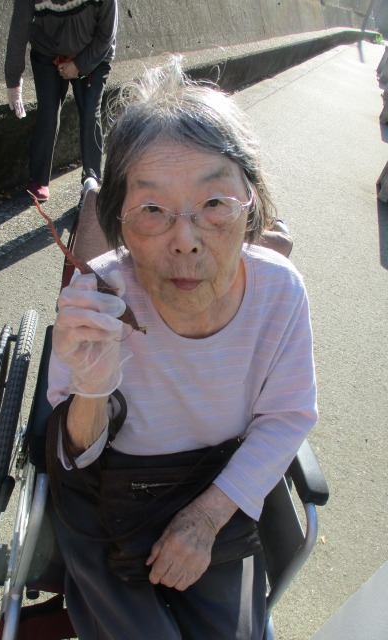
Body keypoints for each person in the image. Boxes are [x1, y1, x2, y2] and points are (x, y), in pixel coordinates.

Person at [47, 56, 317, 640]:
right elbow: (72, 453)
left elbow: (288, 415)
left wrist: (207, 517)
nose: (186, 241)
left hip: (216, 483)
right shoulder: (99, 296)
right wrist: (91, 387)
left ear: (251, 203)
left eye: (214, 204)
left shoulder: (280, 292)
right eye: (152, 210)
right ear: (119, 220)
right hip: (107, 490)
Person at [4, 0, 118, 203]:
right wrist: (13, 82)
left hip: (93, 50)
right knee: (48, 112)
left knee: (90, 112)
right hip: (48, 50)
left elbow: (106, 33)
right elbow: (19, 28)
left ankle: (92, 179)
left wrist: (79, 65)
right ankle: (39, 179)